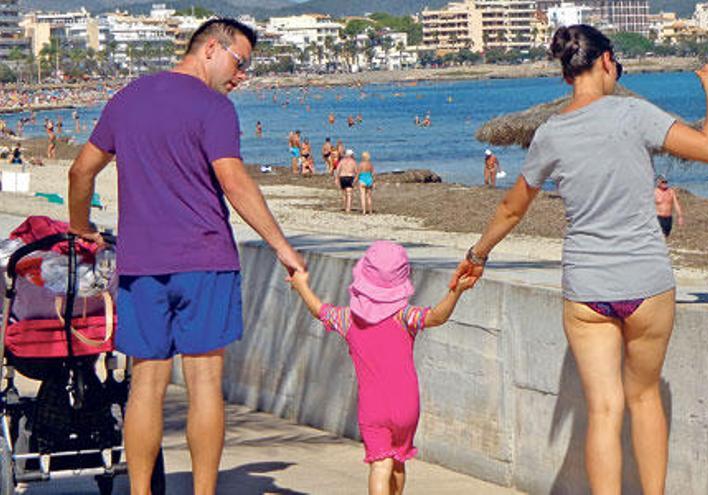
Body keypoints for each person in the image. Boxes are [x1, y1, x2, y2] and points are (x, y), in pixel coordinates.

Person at [450, 25, 708, 494]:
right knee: (643, 398)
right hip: (645, 281)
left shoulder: (550, 133)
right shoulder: (633, 113)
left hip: (587, 288)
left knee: (602, 409)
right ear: (605, 62)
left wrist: (478, 254)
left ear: (566, 75)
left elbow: (512, 207)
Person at [67, 18, 306, 495]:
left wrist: (80, 228)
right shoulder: (212, 107)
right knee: (203, 386)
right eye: (240, 63)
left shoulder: (128, 98)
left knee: (145, 388)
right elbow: (234, 182)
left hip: (141, 265)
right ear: (212, 49)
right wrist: (282, 247)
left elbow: (81, 172)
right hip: (205, 259)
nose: (241, 77)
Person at [289, 241, 476, 495]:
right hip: (406, 406)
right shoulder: (404, 317)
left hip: (372, 408)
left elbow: (319, 310)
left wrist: (301, 286)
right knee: (398, 464)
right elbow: (436, 316)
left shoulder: (348, 319)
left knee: (380, 465)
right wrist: (457, 291)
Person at [337, 149, 359, 213]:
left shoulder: (342, 161)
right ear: (351, 155)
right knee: (349, 194)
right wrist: (355, 180)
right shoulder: (353, 162)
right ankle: (348, 209)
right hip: (350, 177)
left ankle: (344, 207)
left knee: (344, 193)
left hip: (342, 177)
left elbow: (338, 170)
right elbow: (357, 172)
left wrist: (337, 179)